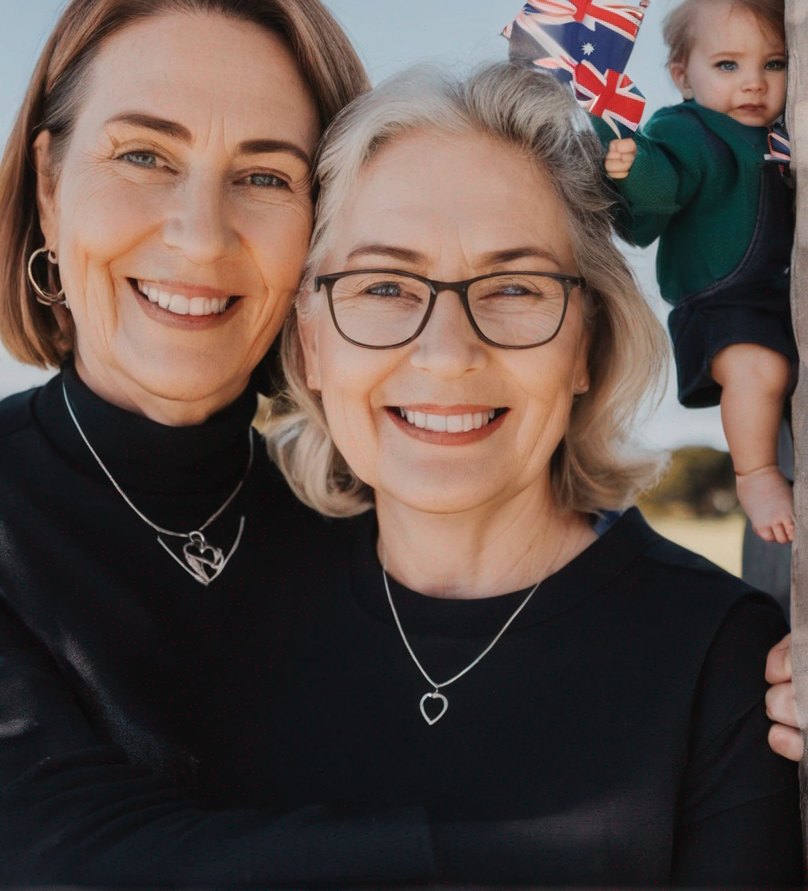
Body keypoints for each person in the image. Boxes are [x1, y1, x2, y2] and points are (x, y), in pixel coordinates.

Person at [249, 62, 801, 884]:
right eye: (385, 286)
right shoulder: (228, 621)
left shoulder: (727, 661)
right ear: (309, 344)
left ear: (589, 343)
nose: (446, 357)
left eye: (513, 287)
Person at [0, 0, 440, 886]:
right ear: (47, 184)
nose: (201, 236)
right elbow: (54, 853)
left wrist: (732, 670)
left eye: (267, 175)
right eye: (144, 155)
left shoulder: (386, 517)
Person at [598, 0, 795, 545]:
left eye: (775, 64)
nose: (755, 83)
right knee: (760, 370)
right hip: (718, 299)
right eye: (728, 65)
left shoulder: (783, 132)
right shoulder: (685, 130)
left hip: (778, 294)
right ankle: (755, 474)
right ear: (683, 75)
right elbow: (661, 187)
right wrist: (631, 164)